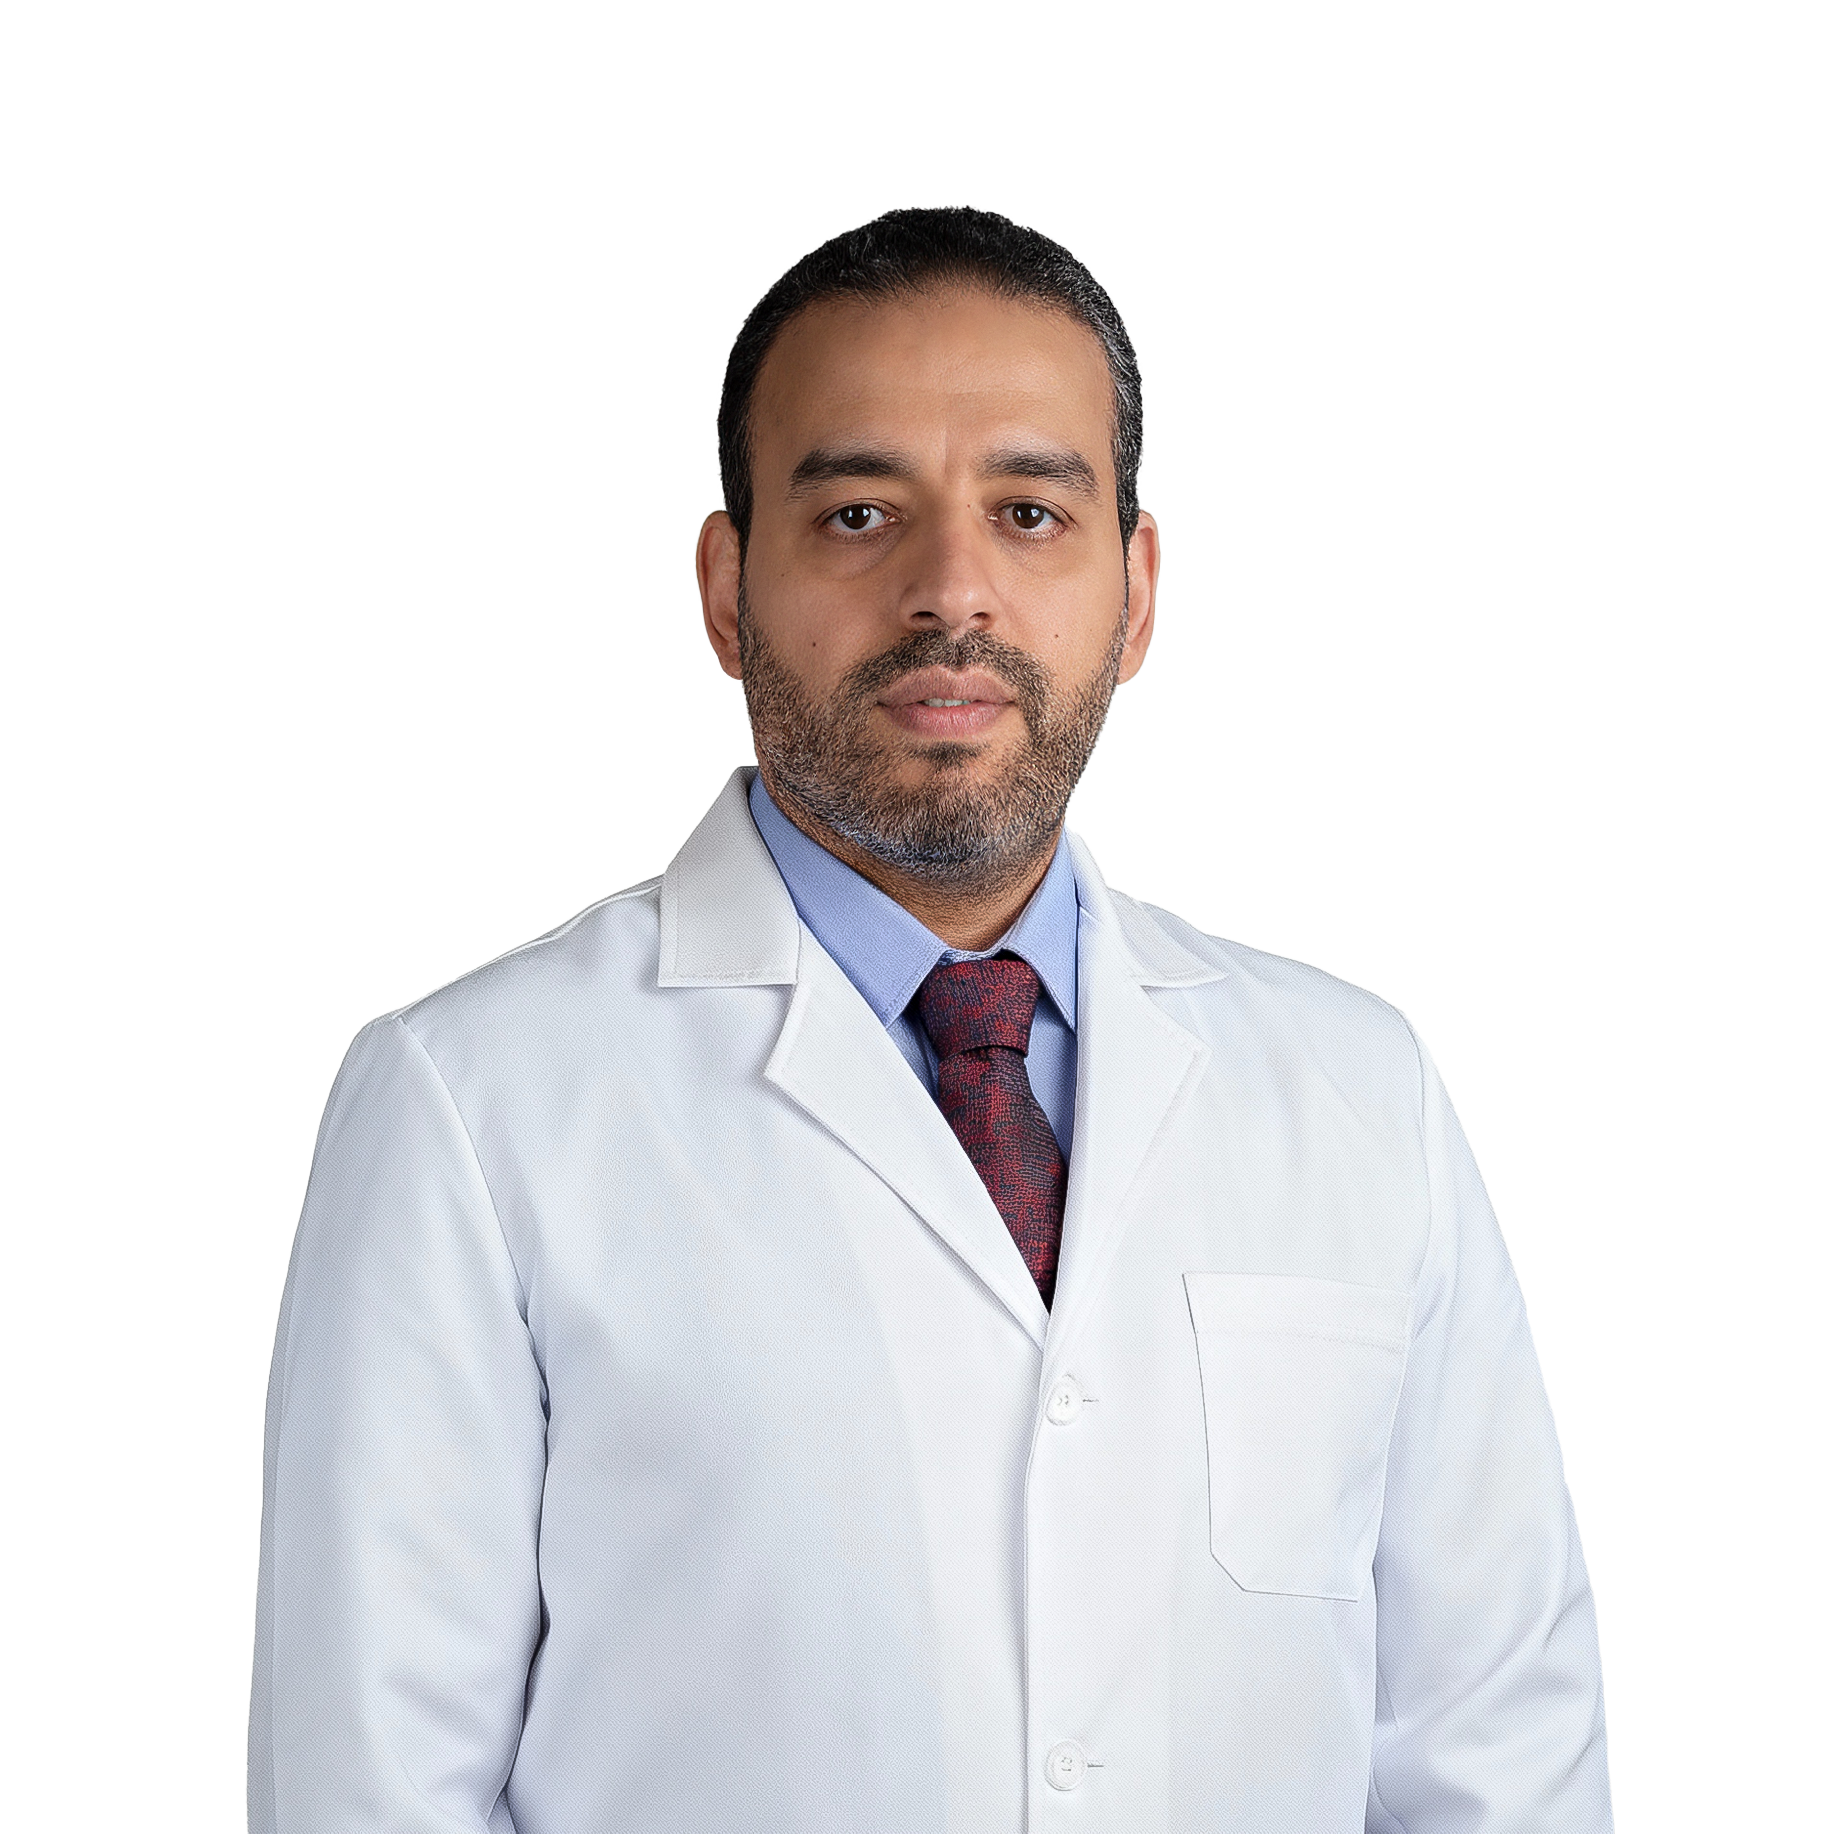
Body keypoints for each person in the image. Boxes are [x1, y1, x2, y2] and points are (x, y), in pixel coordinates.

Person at [250, 206, 1613, 1833]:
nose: (950, 590)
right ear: (726, 586)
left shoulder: (1358, 1090)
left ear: (1136, 590)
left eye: (1030, 512)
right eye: (856, 513)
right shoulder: (473, 1103)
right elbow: (368, 1782)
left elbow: (1496, 1756)